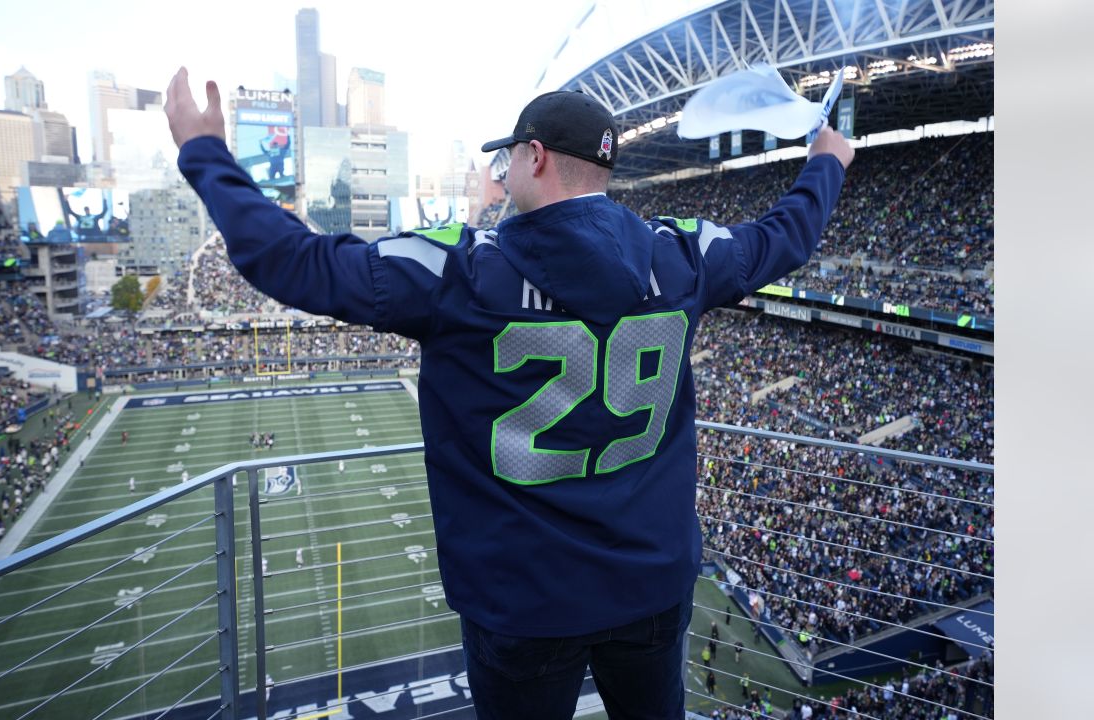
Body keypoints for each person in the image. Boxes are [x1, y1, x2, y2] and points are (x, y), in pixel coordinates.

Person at [165, 68, 852, 720]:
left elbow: (295, 263)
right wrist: (826, 161)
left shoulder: (459, 270)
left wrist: (205, 153)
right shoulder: (683, 255)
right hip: (650, 584)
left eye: (508, 160)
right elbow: (785, 237)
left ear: (535, 156)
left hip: (522, 600)